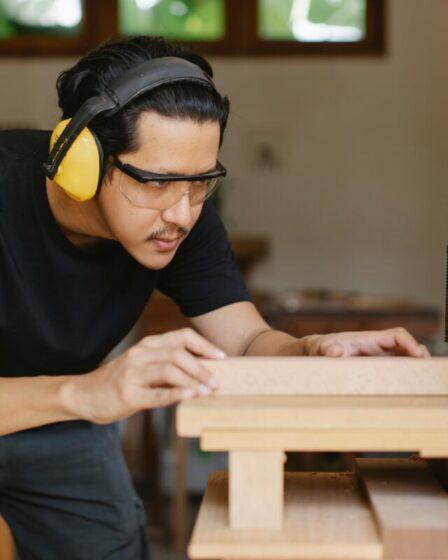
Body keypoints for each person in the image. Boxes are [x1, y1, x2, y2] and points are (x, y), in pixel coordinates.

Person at [0, 36, 429, 559]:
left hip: (58, 424)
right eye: (156, 183)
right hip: (64, 403)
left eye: (201, 182)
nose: (182, 213)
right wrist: (87, 393)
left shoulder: (181, 220)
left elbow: (246, 340)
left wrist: (313, 351)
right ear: (80, 162)